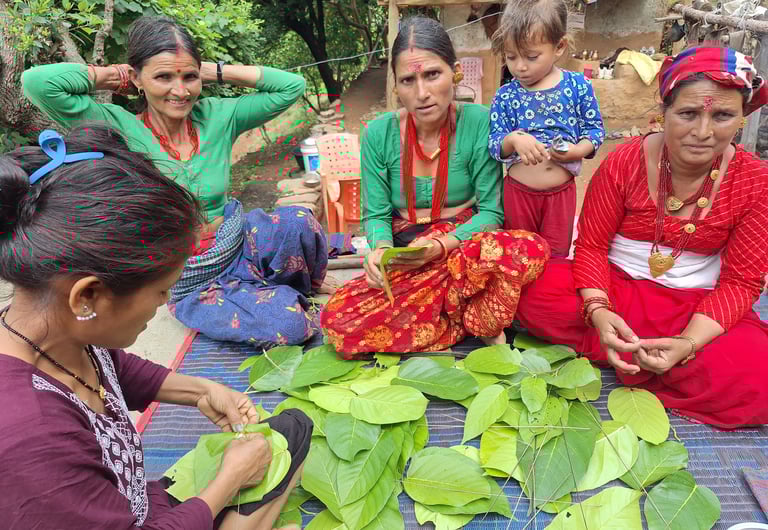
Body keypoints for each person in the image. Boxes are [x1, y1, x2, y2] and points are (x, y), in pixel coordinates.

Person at [0, 125, 312, 529]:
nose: (166, 304)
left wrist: (203, 390)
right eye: (162, 291)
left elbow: (112, 369)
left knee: (291, 430)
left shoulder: (53, 330)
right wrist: (228, 480)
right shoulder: (31, 436)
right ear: (87, 297)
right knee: (260, 467)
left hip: (129, 504)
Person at [21, 16, 327, 349]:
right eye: (164, 76)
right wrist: (114, 75)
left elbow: (291, 86)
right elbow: (38, 83)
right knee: (288, 324)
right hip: (187, 275)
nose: (180, 91)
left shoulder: (218, 116)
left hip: (235, 244)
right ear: (138, 78)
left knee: (297, 222)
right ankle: (260, 298)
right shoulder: (117, 127)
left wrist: (213, 70)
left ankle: (274, 288)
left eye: (189, 77)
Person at [516, 46, 768, 428]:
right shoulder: (625, 161)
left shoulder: (754, 181)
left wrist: (686, 344)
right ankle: (635, 353)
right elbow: (592, 247)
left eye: (722, 116)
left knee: (758, 377)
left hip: (692, 306)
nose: (703, 132)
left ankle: (646, 356)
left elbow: (741, 281)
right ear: (663, 111)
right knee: (528, 291)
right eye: (687, 114)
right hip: (613, 288)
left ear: (741, 120)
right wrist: (599, 313)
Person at [320, 16, 550, 356]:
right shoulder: (377, 134)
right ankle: (462, 312)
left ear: (454, 72)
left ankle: (449, 311)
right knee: (338, 319)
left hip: (463, 247)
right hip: (408, 256)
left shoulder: (479, 122)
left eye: (432, 74)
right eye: (408, 80)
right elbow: (377, 215)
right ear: (395, 85)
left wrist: (441, 246)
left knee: (529, 248)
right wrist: (381, 250)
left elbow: (490, 212)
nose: (422, 93)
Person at [488, 0, 605, 258]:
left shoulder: (577, 86)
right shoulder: (505, 95)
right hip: (518, 195)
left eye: (531, 56)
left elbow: (595, 131)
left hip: (560, 196)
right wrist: (514, 139)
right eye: (510, 56)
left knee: (556, 257)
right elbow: (494, 143)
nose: (519, 66)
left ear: (559, 46)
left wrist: (576, 151)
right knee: (518, 258)